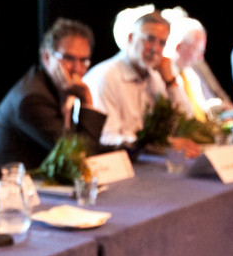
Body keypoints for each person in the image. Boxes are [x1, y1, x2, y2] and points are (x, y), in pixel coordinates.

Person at [0, 18, 107, 170]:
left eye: (84, 60)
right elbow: (78, 156)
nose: (77, 68)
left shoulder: (57, 89)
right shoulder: (32, 99)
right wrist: (86, 99)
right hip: (14, 187)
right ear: (47, 57)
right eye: (68, 58)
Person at [85, 9, 201, 155]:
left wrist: (171, 82)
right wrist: (160, 144)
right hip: (118, 163)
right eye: (149, 39)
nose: (155, 49)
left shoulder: (157, 77)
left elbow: (187, 120)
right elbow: (107, 138)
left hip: (148, 162)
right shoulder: (104, 77)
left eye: (162, 43)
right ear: (130, 38)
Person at [163, 6, 233, 120]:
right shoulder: (164, 74)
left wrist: (219, 107)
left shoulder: (190, 73)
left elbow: (198, 109)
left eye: (202, 51)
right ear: (178, 47)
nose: (200, 57)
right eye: (197, 51)